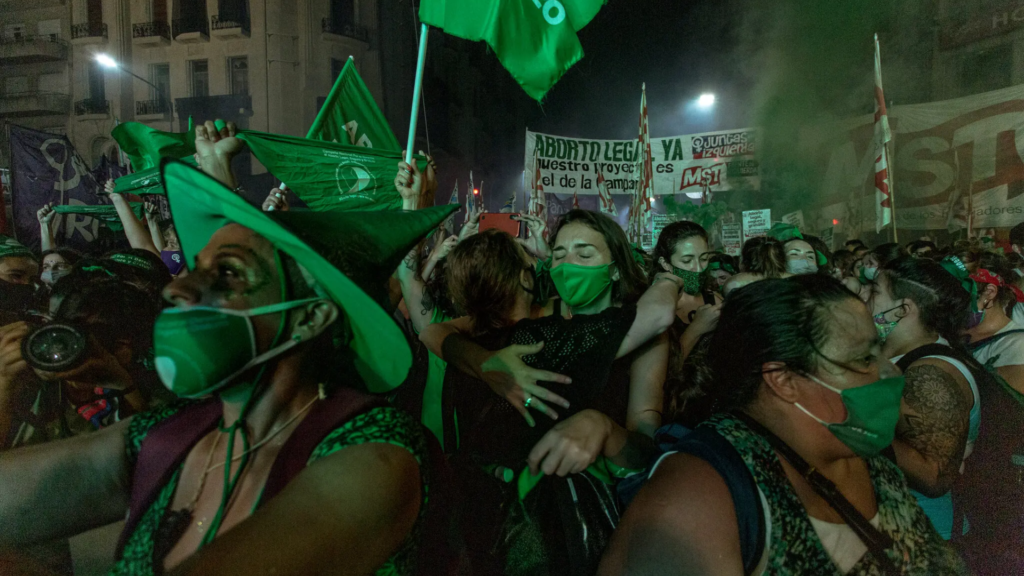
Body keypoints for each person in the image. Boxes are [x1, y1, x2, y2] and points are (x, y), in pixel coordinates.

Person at [0, 124, 458, 575]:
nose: (177, 291)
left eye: (229, 273)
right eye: (197, 269)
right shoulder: (167, 435)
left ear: (308, 317)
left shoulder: (377, 451)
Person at [601, 275, 966, 575]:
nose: (890, 372)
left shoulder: (864, 454)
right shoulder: (699, 495)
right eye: (863, 359)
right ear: (783, 380)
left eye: (880, 352)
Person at [420, 210, 678, 575]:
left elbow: (646, 453)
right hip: (509, 523)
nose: (567, 264)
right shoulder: (536, 327)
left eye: (584, 254)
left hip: (596, 524)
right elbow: (436, 332)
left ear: (616, 267)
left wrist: (605, 431)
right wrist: (485, 362)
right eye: (557, 255)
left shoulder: (645, 336)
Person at [867, 256, 977, 541]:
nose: (864, 298)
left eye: (875, 291)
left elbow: (935, 476)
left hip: (926, 540)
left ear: (903, 310)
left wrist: (856, 423)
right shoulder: (899, 356)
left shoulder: (931, 373)